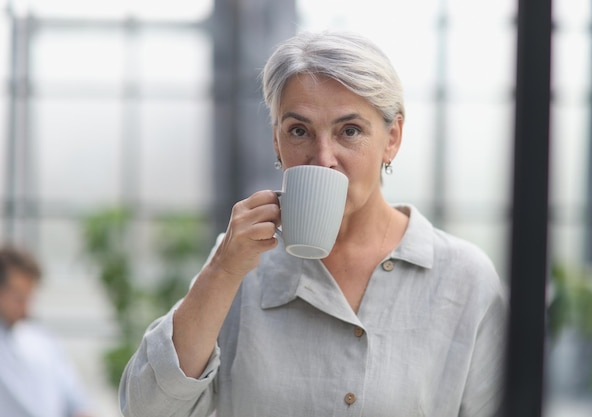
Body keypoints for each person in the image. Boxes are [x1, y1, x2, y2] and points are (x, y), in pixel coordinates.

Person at [119, 30, 508, 417]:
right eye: (299, 131)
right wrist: (222, 271)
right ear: (277, 141)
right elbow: (146, 409)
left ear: (392, 138)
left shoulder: (464, 278)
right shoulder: (239, 267)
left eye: (350, 131)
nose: (323, 158)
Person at [0, 245, 94, 417]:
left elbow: (77, 403)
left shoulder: (43, 342)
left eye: (29, 298)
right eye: (18, 298)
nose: (25, 308)